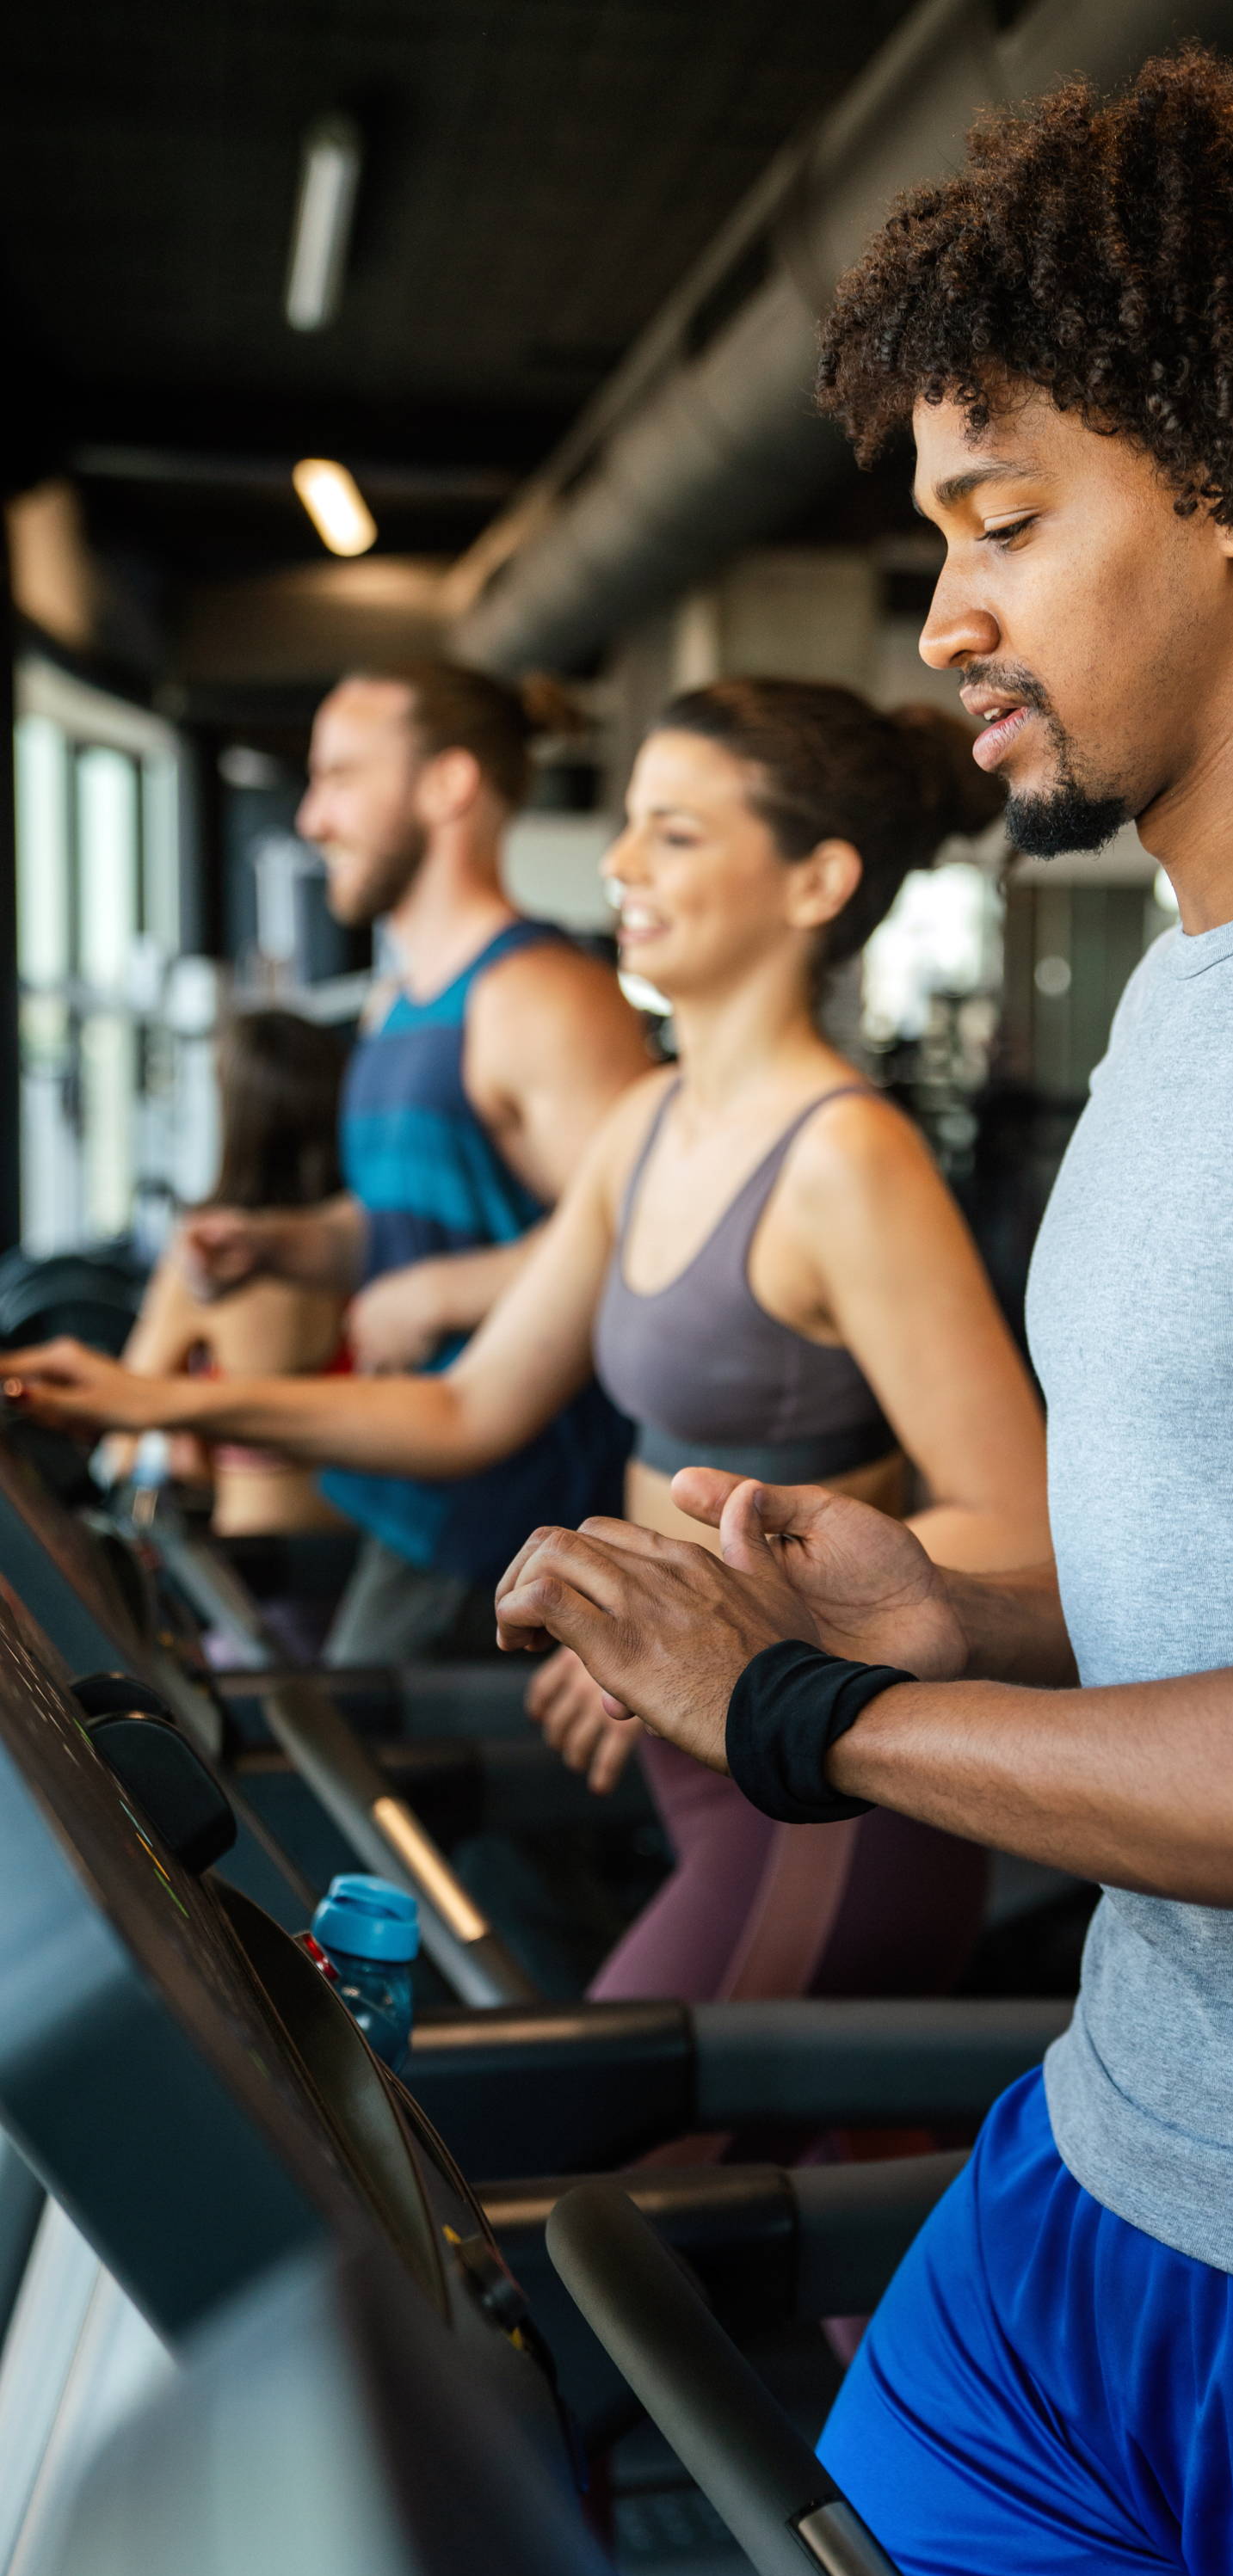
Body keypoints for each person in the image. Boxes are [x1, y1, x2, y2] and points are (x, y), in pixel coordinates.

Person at [467, 52, 1233, 2576]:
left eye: (1004, 524)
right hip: (1108, 2157)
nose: (943, 616)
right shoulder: (1187, 977)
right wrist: (959, 1601)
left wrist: (829, 1720)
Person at [3, 678, 1050, 2007]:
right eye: (627, 825)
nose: (618, 864)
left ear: (815, 882)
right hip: (693, 1752)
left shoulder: (847, 1158)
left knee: (592, 2168)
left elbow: (1022, 1529)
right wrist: (146, 1396)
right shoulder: (651, 1119)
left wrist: (708, 1603)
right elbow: (468, 1411)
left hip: (820, 1792)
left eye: (673, 833)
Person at [183, 660, 653, 1663]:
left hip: (518, 1518)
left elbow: (652, 1243)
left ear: (449, 785)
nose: (312, 818)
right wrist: (278, 1245)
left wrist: (444, 1292)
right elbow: (397, 1222)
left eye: (342, 776)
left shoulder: (539, 996)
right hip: (408, 1485)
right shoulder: (393, 1003)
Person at [107, 1007, 352, 1541]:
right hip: (377, 1558)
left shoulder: (205, 1265)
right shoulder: (380, 1247)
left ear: (233, 1118)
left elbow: (121, 1442)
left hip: (255, 1583)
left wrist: (195, 1432)